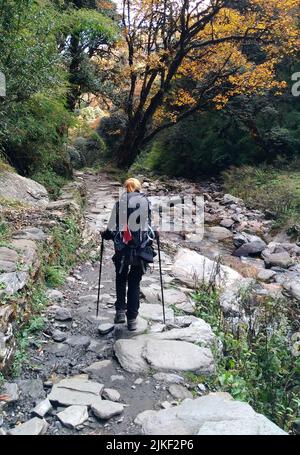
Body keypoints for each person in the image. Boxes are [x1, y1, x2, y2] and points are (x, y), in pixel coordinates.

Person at [101, 178, 157, 331]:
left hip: (122, 250)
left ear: (125, 189)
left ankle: (120, 312)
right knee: (134, 282)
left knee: (121, 278)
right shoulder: (146, 203)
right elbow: (149, 227)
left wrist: (104, 235)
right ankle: (132, 320)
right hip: (141, 250)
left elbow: (111, 229)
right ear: (139, 189)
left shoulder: (120, 204)